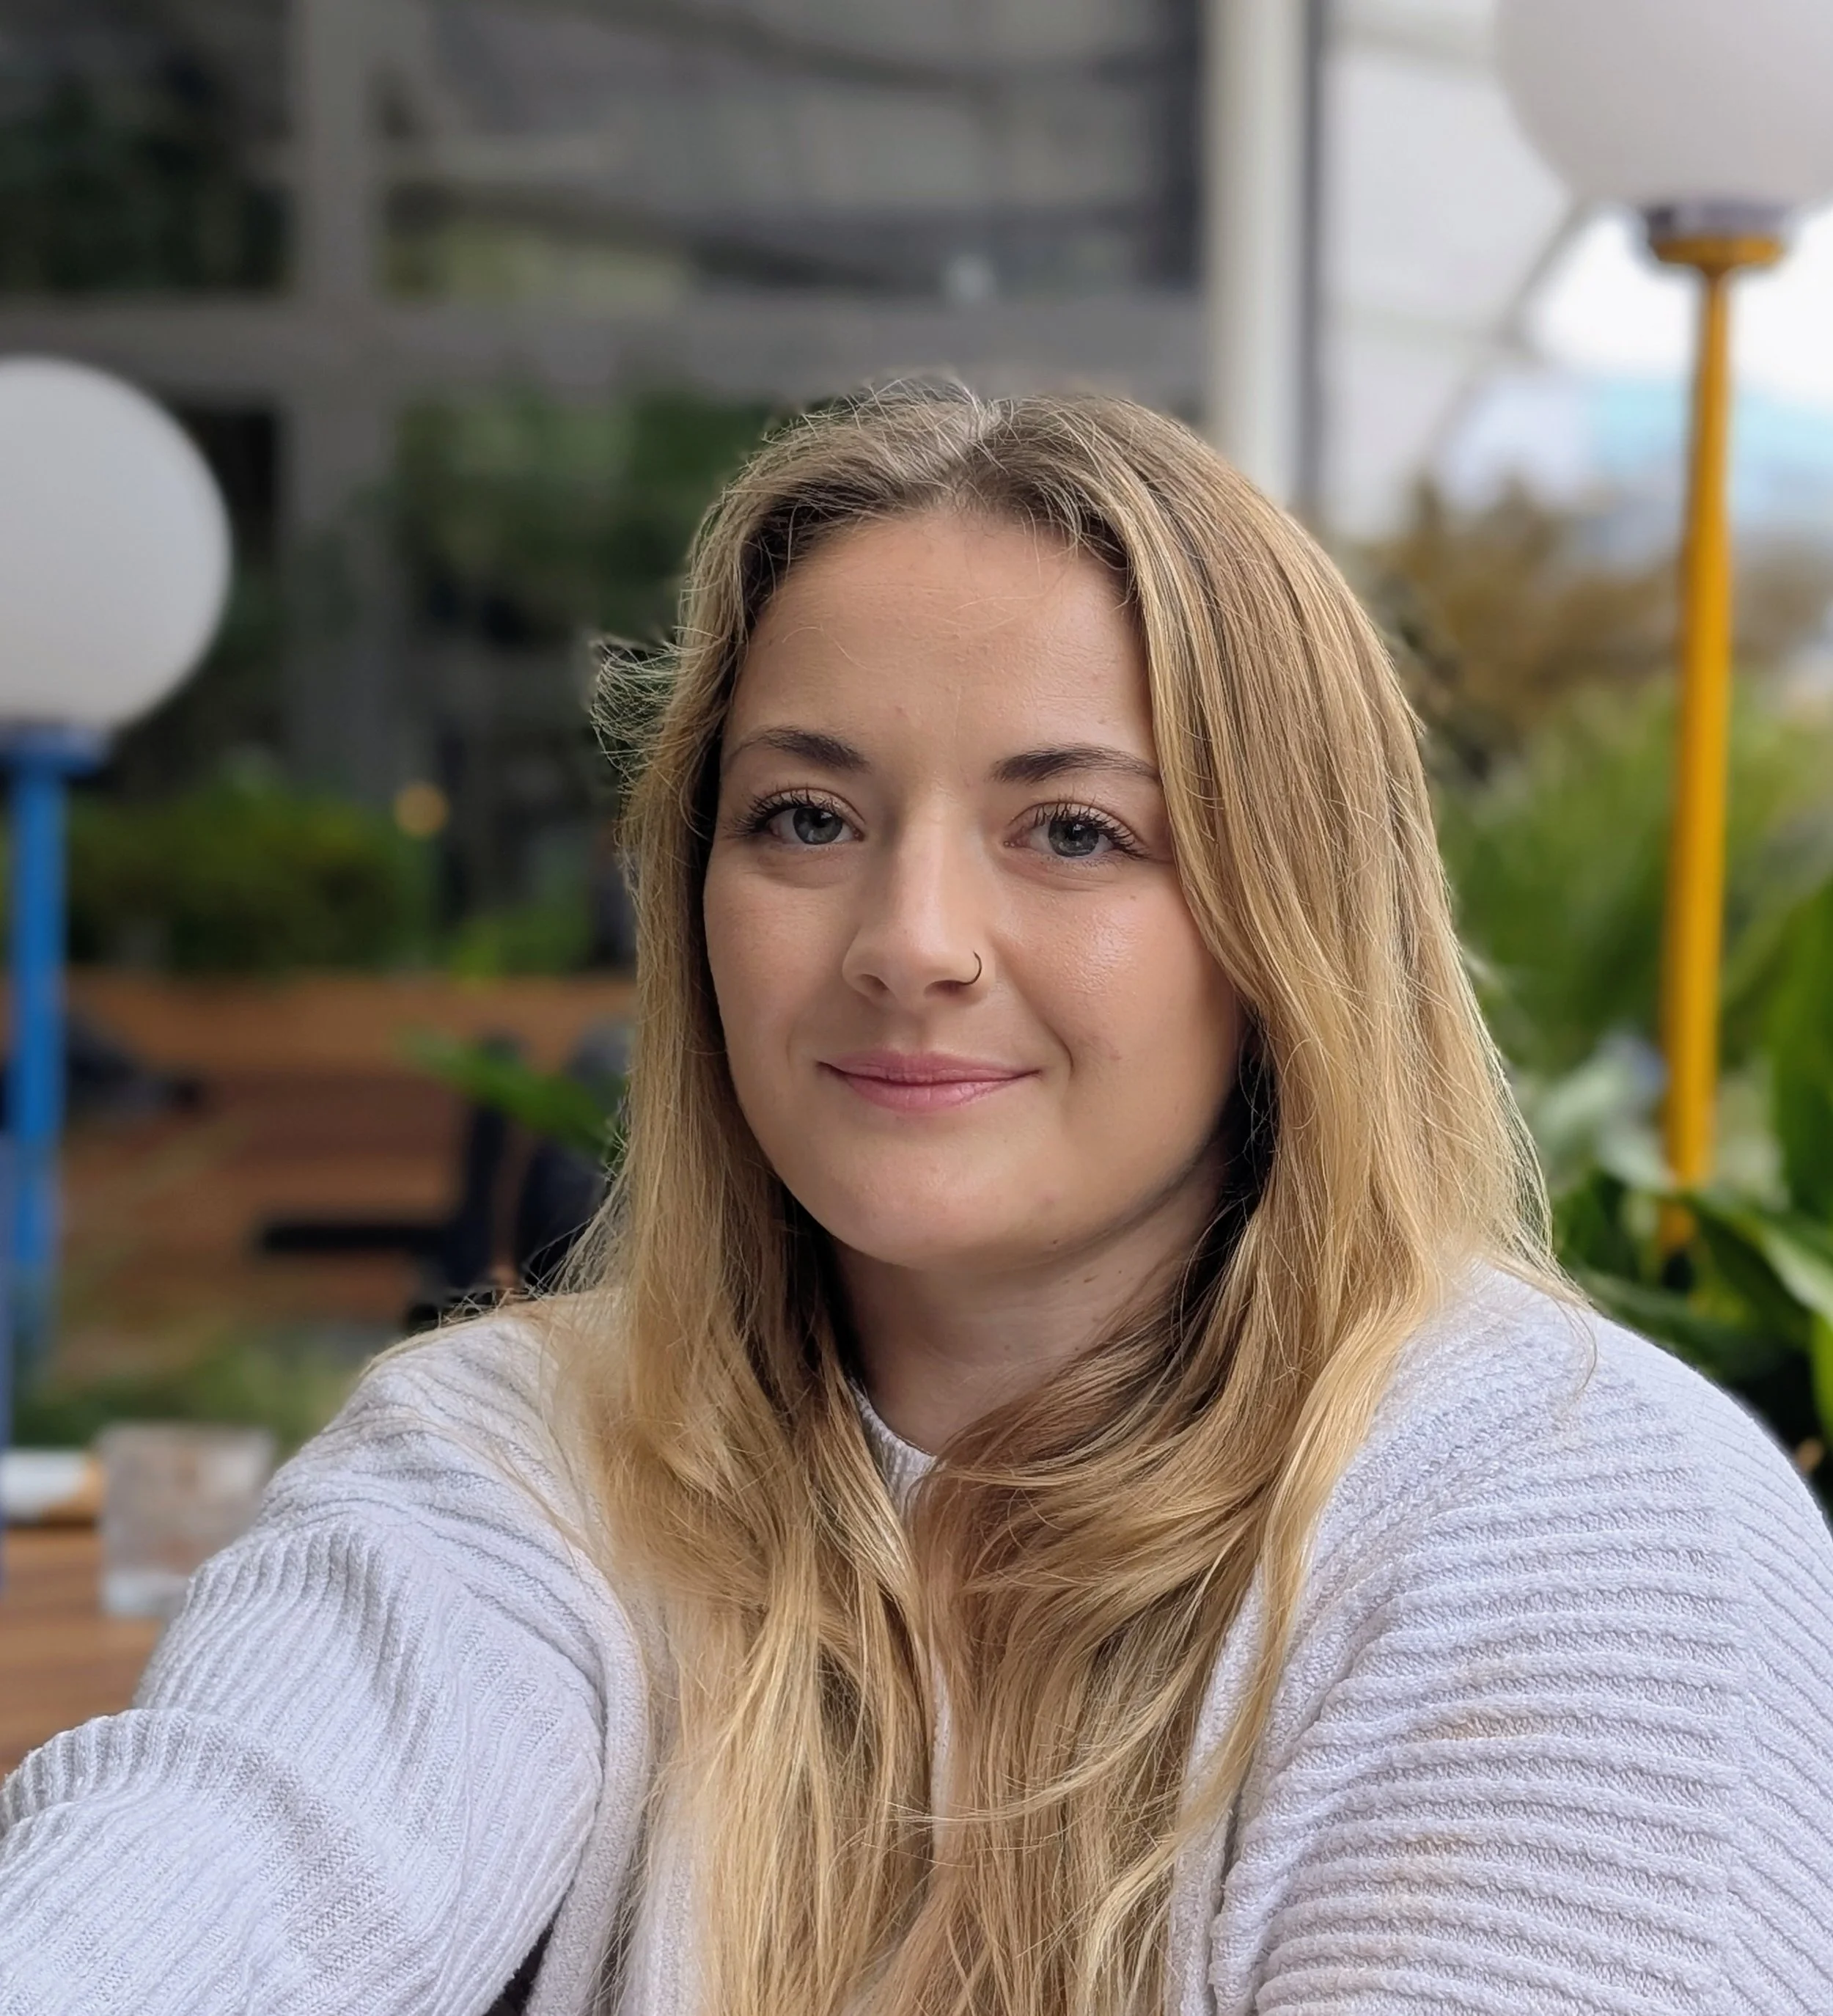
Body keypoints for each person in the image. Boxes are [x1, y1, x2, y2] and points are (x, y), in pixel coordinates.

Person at [4, 387, 1832, 2016]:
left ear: (1289, 925)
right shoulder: (517, 1457)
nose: (909, 945)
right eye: (806, 816)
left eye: (1074, 831)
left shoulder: (1584, 1520)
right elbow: (228, 1858)